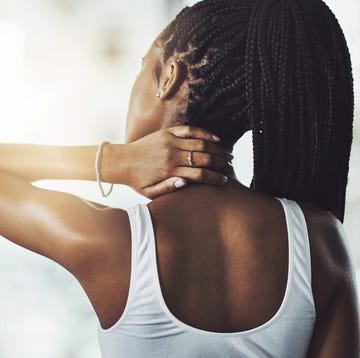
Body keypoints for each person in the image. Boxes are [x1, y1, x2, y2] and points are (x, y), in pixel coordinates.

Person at [0, 0, 359, 357]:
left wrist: (113, 161)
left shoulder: (111, 242)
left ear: (169, 77)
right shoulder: (319, 242)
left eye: (140, 70)